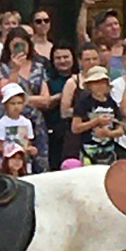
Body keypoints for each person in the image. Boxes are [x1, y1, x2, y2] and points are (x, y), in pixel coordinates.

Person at [0, 27, 50, 172]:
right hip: (11, 119)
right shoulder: (1, 68)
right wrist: (15, 70)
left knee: (39, 160)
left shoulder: (38, 67)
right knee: (14, 161)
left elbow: (46, 99)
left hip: (35, 120)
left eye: (23, 44)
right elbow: (7, 93)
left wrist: (24, 99)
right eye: (15, 45)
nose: (20, 48)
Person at [71, 66, 123, 165]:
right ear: (89, 85)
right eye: (95, 83)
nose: (99, 86)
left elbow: (120, 128)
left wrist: (109, 134)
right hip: (89, 150)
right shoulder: (83, 102)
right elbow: (75, 128)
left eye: (102, 82)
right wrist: (96, 122)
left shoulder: (112, 103)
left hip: (109, 151)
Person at [45, 43, 75, 171]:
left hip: (75, 130)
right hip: (54, 130)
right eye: (58, 58)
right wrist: (64, 94)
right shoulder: (47, 79)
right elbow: (46, 103)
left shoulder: (80, 77)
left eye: (66, 57)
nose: (62, 61)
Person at [0, 82, 37, 165]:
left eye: (19, 103)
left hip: (23, 162)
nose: (16, 107)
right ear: (5, 105)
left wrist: (30, 149)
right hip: (6, 163)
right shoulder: (2, 124)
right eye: (12, 104)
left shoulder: (27, 122)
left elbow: (28, 142)